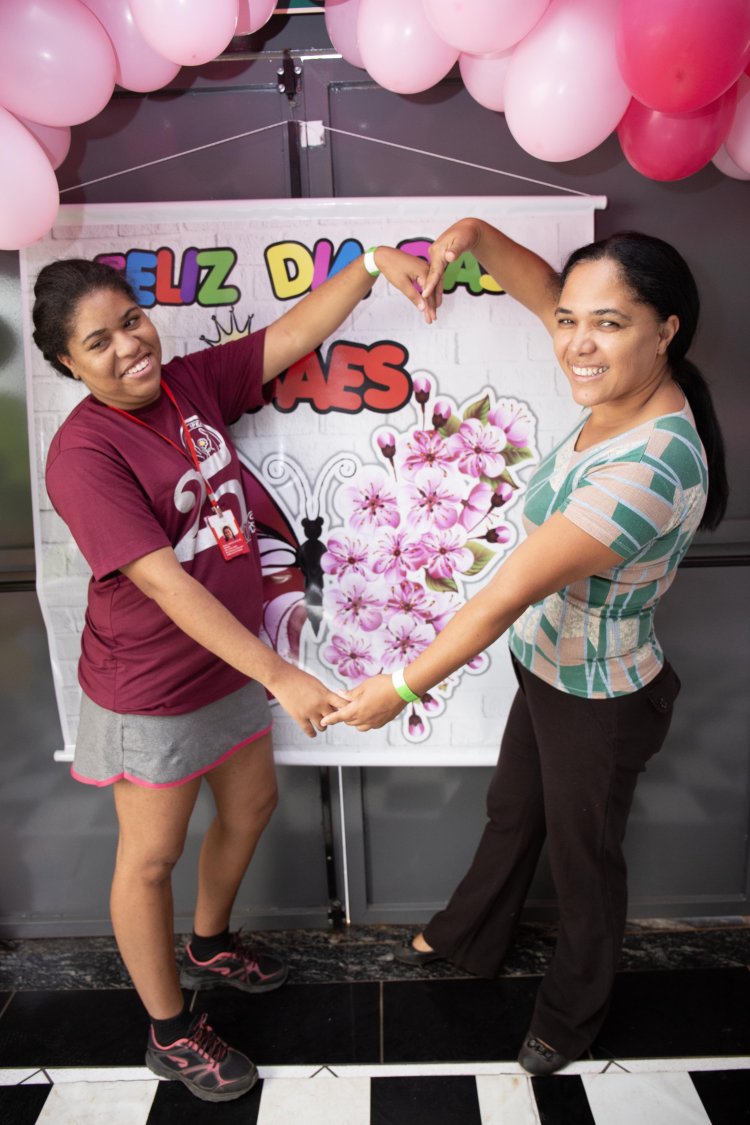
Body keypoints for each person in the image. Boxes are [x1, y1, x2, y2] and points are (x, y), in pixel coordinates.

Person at [322, 219, 728, 1075]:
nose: (576, 341)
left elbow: (504, 592)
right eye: (571, 318)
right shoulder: (614, 376)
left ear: (665, 331)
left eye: (608, 323)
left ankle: (570, 1017)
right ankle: (471, 933)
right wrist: (463, 237)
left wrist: (396, 687)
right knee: (514, 810)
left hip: (601, 697)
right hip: (548, 666)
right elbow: (535, 284)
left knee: (585, 865)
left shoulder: (648, 470)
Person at [32, 245, 431, 1103]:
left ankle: (209, 941)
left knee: (251, 806)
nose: (128, 346)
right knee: (150, 858)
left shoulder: (185, 385)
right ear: (68, 364)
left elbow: (288, 335)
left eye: (132, 321)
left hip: (228, 661)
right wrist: (283, 675)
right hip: (152, 684)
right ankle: (170, 1032)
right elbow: (166, 585)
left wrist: (370, 269)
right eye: (98, 342)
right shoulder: (83, 453)